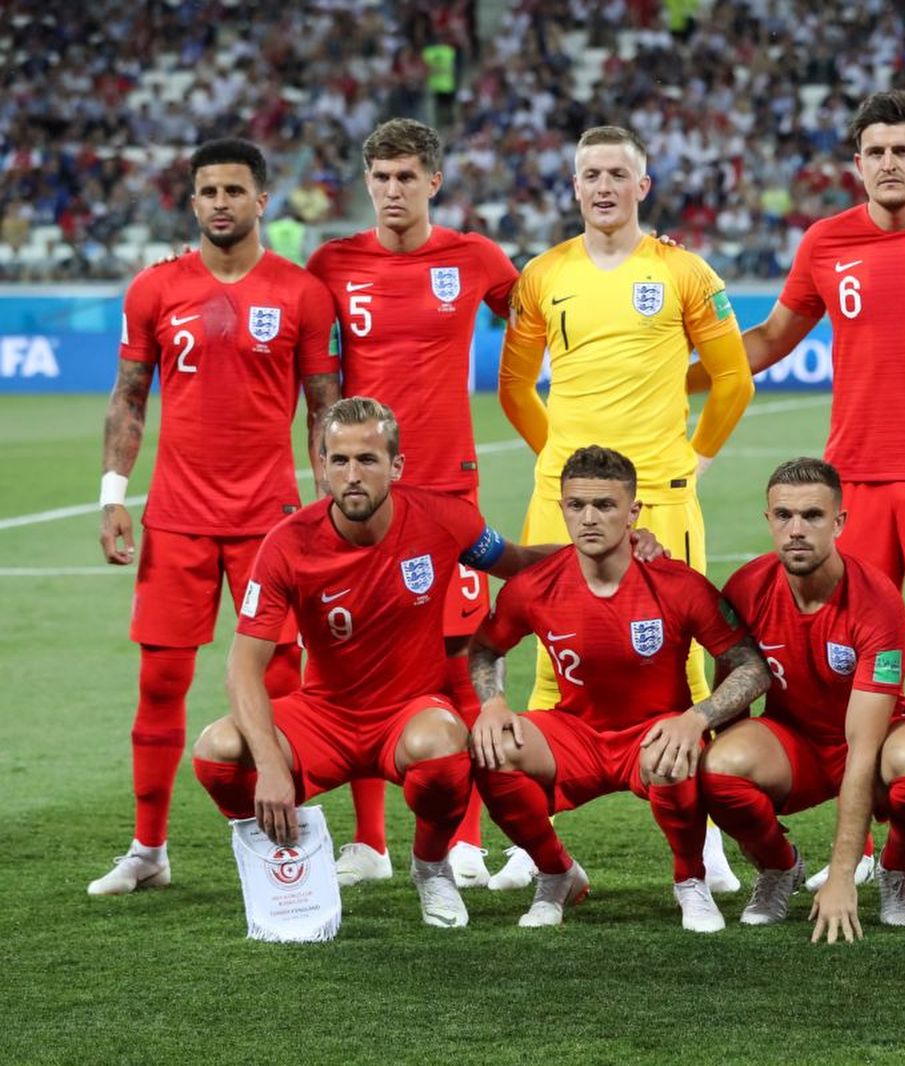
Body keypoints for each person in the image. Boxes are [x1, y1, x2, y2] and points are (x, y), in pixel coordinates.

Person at [694, 90, 905, 894]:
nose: (889, 162)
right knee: (856, 661)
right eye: (874, 151)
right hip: (854, 481)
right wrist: (680, 376)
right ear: (857, 164)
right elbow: (775, 338)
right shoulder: (827, 240)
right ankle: (879, 845)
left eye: (902, 149)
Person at [188, 397, 564, 928]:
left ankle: (431, 869)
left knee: (442, 747)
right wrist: (271, 766)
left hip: (408, 712)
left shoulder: (443, 519)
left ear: (396, 466)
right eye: (338, 461)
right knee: (217, 751)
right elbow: (242, 667)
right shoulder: (287, 544)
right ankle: (284, 866)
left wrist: (609, 546)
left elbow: (519, 563)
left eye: (367, 459)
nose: (352, 475)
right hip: (324, 715)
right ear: (321, 467)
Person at [497, 124, 755, 893]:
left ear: (644, 185)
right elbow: (515, 388)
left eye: (617, 172)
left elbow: (733, 380)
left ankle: (703, 844)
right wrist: (563, 471)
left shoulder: (684, 271)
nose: (603, 185)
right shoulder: (541, 276)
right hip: (558, 504)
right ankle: (531, 843)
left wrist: (692, 461)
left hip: (660, 500)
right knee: (548, 652)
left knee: (687, 661)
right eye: (589, 174)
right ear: (573, 187)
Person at [90, 138, 341, 896]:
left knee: (289, 685)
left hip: (272, 523)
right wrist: (112, 494)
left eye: (235, 190)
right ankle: (148, 849)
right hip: (176, 518)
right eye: (208, 191)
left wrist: (331, 508)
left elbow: (325, 410)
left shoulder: (300, 293)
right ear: (193, 202)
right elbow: (130, 395)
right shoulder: (156, 288)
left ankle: (293, 844)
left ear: (262, 200)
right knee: (160, 681)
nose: (221, 202)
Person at [307, 117, 520, 890]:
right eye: (381, 177)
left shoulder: (475, 257)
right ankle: (368, 843)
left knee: (458, 659)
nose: (393, 191)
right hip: (360, 497)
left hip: (445, 492)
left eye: (407, 177)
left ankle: (461, 838)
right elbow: (314, 375)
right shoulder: (331, 263)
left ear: (434, 181)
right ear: (366, 182)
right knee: (350, 658)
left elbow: (545, 306)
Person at [466, 446, 771, 933]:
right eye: (576, 505)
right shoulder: (535, 585)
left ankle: (690, 881)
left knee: (673, 753)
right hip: (575, 733)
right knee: (491, 750)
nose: (589, 518)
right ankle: (556, 873)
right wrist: (492, 702)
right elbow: (484, 648)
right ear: (562, 507)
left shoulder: (678, 584)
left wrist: (696, 717)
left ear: (633, 513)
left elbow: (751, 667)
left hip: (655, 731)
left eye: (605, 506)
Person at [707, 458, 905, 941]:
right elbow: (731, 706)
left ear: (839, 522)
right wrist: (739, 810)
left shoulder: (876, 600)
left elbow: (861, 747)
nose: (796, 530)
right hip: (793, 743)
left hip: (872, 741)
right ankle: (779, 868)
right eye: (784, 516)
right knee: (718, 767)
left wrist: (841, 876)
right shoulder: (746, 587)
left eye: (813, 516)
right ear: (769, 519)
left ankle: (896, 868)